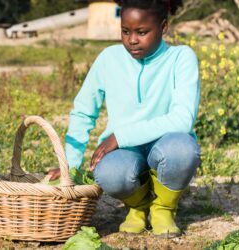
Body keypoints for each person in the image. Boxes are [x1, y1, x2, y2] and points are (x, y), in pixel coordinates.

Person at [62, 0, 200, 238]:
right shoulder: (108, 58)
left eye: (142, 32)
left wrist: (120, 136)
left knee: (183, 149)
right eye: (126, 31)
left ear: (164, 27)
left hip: (165, 145)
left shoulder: (181, 57)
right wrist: (69, 167)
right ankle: (138, 207)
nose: (132, 40)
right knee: (109, 173)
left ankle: (163, 209)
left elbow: (182, 119)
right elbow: (83, 111)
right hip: (126, 152)